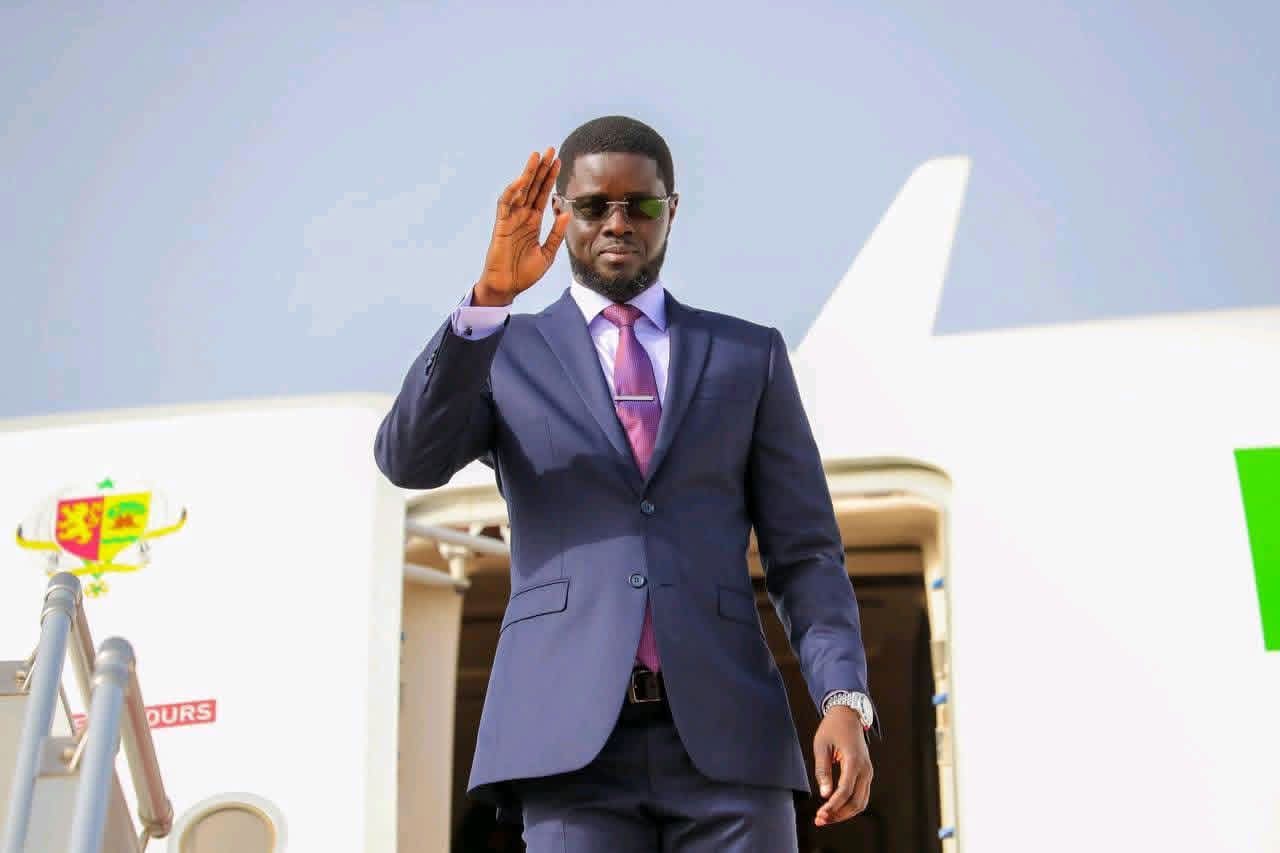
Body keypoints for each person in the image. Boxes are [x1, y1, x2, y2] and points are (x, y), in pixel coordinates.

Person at [375, 115, 877, 852]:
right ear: (560, 213)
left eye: (639, 205)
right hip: (565, 745)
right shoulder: (503, 351)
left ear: (671, 210)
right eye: (592, 206)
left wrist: (842, 697)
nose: (618, 223)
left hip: (731, 741)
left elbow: (805, 554)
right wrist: (488, 298)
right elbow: (408, 460)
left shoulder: (748, 355)